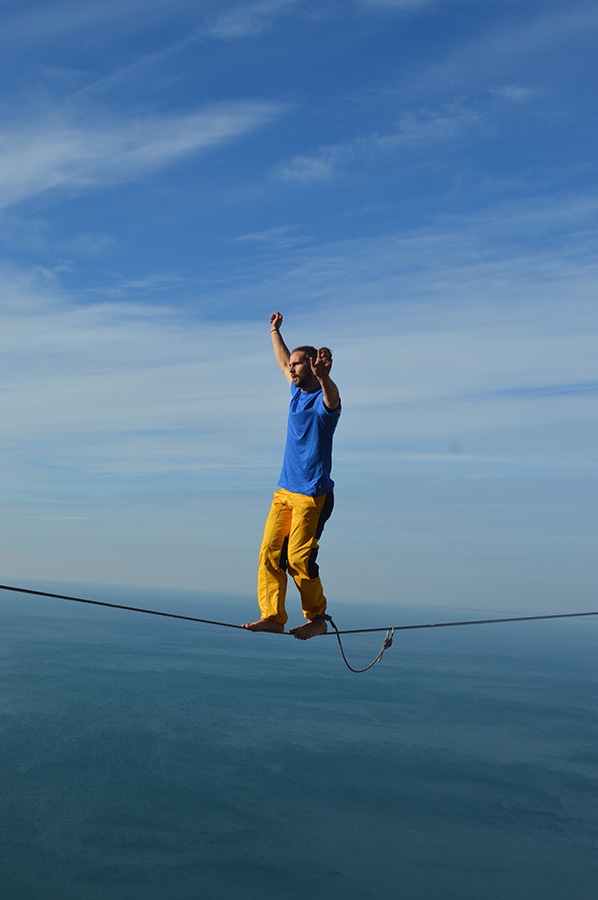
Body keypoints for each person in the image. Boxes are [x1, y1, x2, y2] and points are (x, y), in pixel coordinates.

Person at [242, 311, 341, 640]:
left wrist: (325, 376)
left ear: (312, 366)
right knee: (269, 553)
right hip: (284, 491)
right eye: (292, 365)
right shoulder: (296, 393)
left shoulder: (321, 404)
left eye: (298, 365)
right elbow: (282, 359)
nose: (291, 368)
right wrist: (274, 331)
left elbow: (333, 398)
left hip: (313, 495)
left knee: (299, 558)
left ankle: (317, 618)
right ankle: (272, 615)